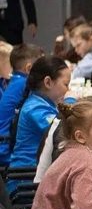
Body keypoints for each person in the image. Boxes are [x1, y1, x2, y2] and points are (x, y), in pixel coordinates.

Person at [7, 55, 69, 188]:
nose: (68, 90)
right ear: (48, 82)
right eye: (66, 84)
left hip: (34, 175)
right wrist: (70, 102)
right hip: (26, 181)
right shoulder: (35, 108)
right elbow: (63, 131)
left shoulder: (43, 103)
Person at [0, 42, 41, 167]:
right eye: (41, 69)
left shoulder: (16, 81)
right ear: (29, 68)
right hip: (7, 151)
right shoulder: (25, 85)